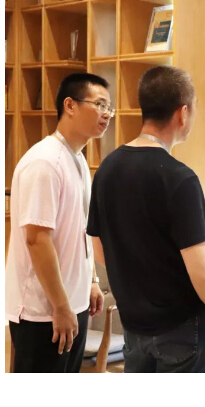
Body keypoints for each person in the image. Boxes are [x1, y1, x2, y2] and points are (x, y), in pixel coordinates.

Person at [86, 66, 205, 373]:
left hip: (134, 325)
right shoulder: (180, 178)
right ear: (183, 113)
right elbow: (203, 272)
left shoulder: (106, 169)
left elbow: (99, 251)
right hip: (183, 327)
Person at [6, 73, 111, 372]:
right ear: (70, 105)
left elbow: (81, 230)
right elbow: (37, 240)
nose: (106, 114)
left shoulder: (78, 159)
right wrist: (61, 307)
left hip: (72, 304)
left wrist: (91, 282)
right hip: (43, 311)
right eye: (99, 104)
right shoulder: (45, 162)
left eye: (110, 108)